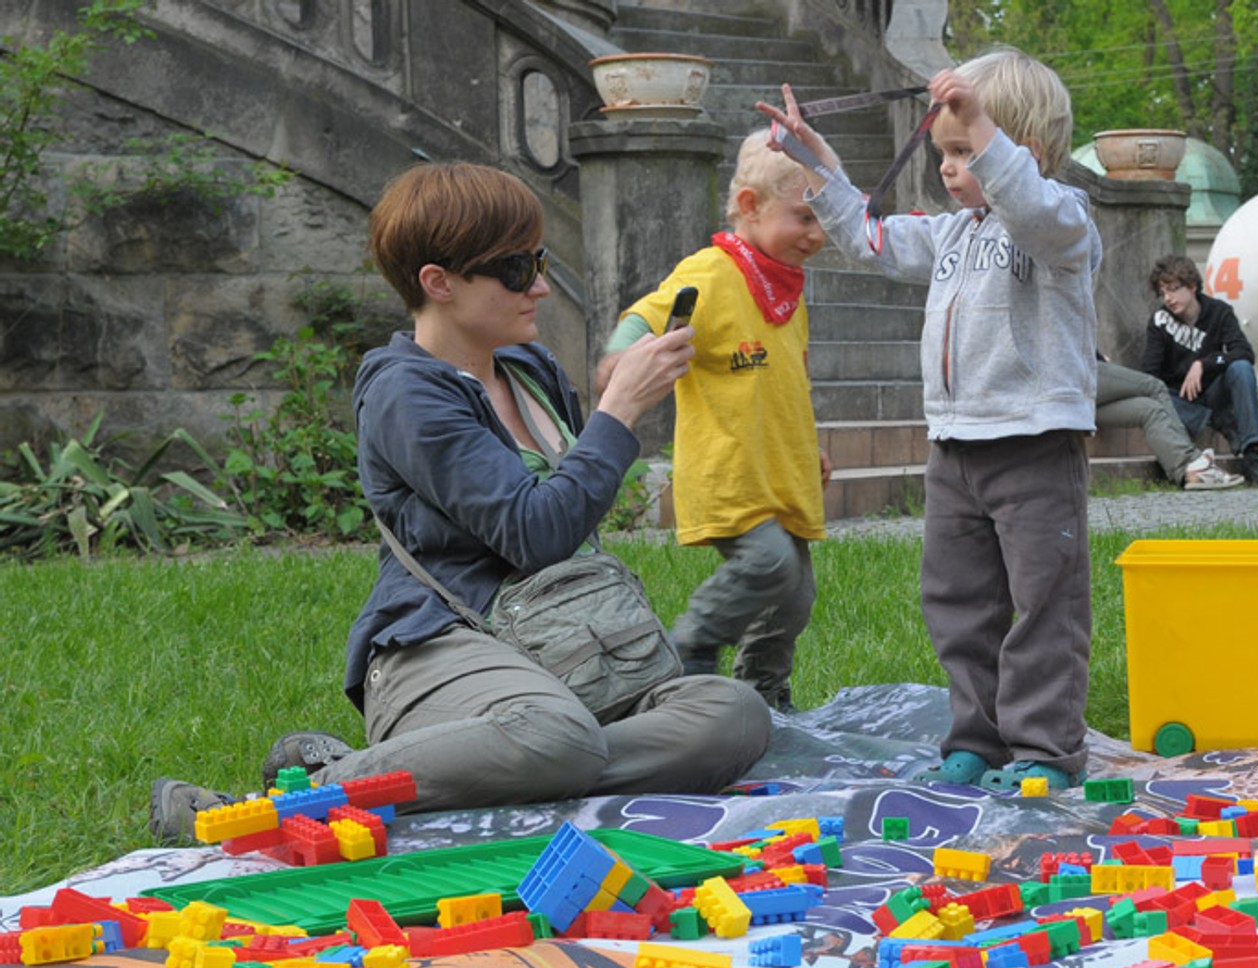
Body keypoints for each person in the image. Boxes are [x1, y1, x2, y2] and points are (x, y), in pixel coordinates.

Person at [150, 162, 772, 843]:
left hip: (561, 647)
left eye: (538, 260)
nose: (538, 285)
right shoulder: (405, 393)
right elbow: (537, 534)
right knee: (558, 737)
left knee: (733, 712)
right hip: (442, 643)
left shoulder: (529, 369)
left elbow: (572, 517)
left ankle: (504, 765)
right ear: (438, 283)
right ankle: (308, 795)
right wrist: (618, 411)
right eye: (513, 268)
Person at [760, 50, 1098, 792]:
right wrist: (818, 165)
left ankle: (1044, 751)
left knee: (1046, 604)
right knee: (958, 602)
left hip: (1034, 445)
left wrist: (980, 125)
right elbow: (869, 239)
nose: (946, 168)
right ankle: (977, 739)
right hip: (955, 448)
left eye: (961, 152)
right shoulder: (951, 234)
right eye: (942, 150)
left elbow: (1034, 209)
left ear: (1021, 153)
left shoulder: (1062, 223)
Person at [597, 131, 831, 713]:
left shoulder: (787, 289)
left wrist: (814, 445)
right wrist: (620, 355)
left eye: (823, 219)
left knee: (795, 596)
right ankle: (691, 644)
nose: (818, 235)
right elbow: (649, 312)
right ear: (750, 206)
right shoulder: (712, 271)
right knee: (769, 565)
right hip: (728, 472)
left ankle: (765, 695)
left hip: (779, 470)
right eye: (803, 216)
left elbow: (790, 378)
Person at [1140, 254, 1258, 487]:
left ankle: (1252, 455)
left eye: (1173, 290)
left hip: (1214, 392)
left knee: (1241, 368)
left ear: (1192, 286)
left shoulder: (1219, 312)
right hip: (1181, 399)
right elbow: (1149, 374)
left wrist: (1203, 363)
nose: (1168, 298)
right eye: (1163, 293)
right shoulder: (1159, 320)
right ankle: (1218, 421)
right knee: (1152, 394)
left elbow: (1244, 352)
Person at [1094, 358, 1242, 489]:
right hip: (1078, 374)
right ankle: (1193, 462)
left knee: (1150, 410)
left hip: (1079, 405)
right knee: (1155, 387)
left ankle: (1191, 471)